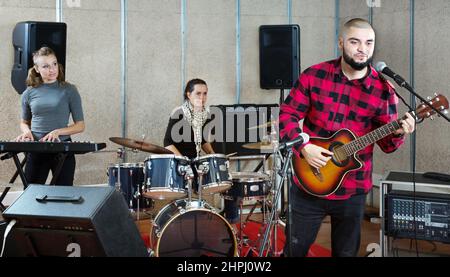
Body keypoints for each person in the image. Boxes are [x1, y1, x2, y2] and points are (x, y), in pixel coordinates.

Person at [279, 18, 415, 257]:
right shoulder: (314, 75)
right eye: (355, 41)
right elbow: (288, 113)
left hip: (353, 188)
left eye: (369, 43)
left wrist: (399, 132)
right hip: (308, 183)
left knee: (345, 253)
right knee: (295, 249)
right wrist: (304, 147)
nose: (363, 49)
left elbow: (388, 145)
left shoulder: (384, 90)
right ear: (341, 43)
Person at [15, 46, 85, 187]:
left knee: (63, 194)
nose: (52, 69)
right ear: (37, 69)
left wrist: (58, 131)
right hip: (36, 149)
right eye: (46, 66)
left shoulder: (69, 90)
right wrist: (27, 132)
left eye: (54, 64)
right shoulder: (28, 93)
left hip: (62, 149)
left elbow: (80, 125)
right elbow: (24, 122)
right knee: (31, 194)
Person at [163, 78, 215, 159]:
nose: (202, 97)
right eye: (198, 93)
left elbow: (203, 140)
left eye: (205, 93)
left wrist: (213, 155)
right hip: (178, 162)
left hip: (195, 161)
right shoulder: (179, 113)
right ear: (189, 95)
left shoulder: (205, 115)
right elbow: (167, 143)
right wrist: (183, 161)